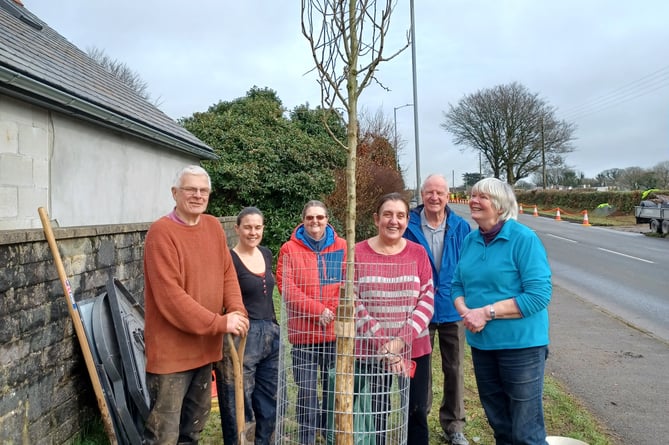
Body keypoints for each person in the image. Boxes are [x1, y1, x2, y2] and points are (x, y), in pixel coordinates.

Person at [142, 165, 250, 444]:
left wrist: (236, 309)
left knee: (191, 433)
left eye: (203, 190)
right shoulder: (161, 233)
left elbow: (227, 274)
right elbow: (171, 299)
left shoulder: (213, 227)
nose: (198, 195)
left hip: (204, 350)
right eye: (190, 189)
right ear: (175, 193)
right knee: (164, 436)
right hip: (171, 357)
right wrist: (220, 322)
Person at [451, 177, 552, 445]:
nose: (473, 200)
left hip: (521, 347)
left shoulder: (523, 239)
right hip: (483, 345)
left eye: (482, 197)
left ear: (500, 205)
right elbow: (457, 284)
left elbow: (538, 295)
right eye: (473, 195)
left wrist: (485, 313)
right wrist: (466, 311)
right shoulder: (470, 240)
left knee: (526, 431)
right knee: (500, 425)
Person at [355, 192, 434, 444]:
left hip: (414, 349)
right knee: (375, 414)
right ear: (376, 219)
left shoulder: (418, 253)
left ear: (407, 221)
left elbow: (427, 300)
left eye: (400, 216)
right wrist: (384, 345)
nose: (394, 221)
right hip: (371, 351)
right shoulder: (357, 253)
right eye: (387, 214)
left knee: (416, 412)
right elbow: (352, 302)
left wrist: (399, 342)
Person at [403, 174, 472, 445]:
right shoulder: (409, 225)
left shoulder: (460, 227)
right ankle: (419, 419)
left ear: (448, 196)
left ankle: (454, 425)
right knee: (421, 370)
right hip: (419, 309)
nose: (434, 197)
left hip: (452, 308)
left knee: (455, 368)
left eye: (440, 193)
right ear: (422, 194)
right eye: (429, 192)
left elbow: (469, 266)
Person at [276, 200, 347, 445]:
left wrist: (331, 311)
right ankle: (306, 436)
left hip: (333, 335)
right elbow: (287, 287)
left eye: (319, 217)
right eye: (310, 217)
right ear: (303, 220)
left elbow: (346, 283)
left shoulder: (341, 246)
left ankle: (328, 434)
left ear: (327, 220)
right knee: (306, 392)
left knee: (331, 389)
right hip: (303, 336)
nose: (315, 222)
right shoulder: (289, 249)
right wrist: (317, 311)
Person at [214, 207, 280, 445]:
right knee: (238, 400)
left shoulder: (266, 253)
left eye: (258, 227)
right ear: (237, 229)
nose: (253, 232)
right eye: (248, 227)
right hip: (243, 336)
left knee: (269, 398)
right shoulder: (228, 259)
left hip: (270, 333)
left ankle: (264, 441)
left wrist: (274, 327)